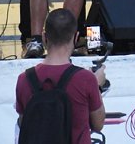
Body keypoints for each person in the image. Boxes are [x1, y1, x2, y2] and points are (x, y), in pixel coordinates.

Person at [15, 8, 106, 144]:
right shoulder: (86, 79)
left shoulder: (24, 79)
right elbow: (98, 124)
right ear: (75, 37)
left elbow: (24, 123)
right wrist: (97, 86)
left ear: (45, 37)